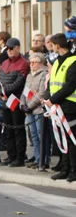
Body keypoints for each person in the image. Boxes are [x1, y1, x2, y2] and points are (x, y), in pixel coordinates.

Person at [46, 27, 76, 182]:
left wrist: (53, 99)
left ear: (57, 45)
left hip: (70, 106)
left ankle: (73, 170)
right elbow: (52, 81)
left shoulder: (73, 61)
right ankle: (65, 168)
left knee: (71, 139)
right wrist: (47, 98)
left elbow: (70, 85)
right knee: (61, 139)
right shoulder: (57, 61)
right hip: (57, 105)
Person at [0, 37, 29, 167]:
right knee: (8, 130)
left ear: (18, 48)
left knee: (18, 129)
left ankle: (20, 157)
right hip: (5, 101)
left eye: (11, 48)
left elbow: (19, 83)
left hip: (16, 101)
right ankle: (11, 155)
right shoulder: (4, 63)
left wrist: (4, 90)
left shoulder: (23, 63)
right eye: (7, 49)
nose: (9, 51)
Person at [23, 53, 50, 171]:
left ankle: (44, 160)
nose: (32, 65)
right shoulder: (29, 75)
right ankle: (37, 158)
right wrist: (22, 104)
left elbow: (41, 93)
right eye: (30, 62)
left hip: (38, 109)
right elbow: (25, 91)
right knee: (33, 136)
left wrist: (30, 105)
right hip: (29, 110)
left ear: (41, 63)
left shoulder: (44, 74)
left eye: (34, 62)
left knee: (41, 135)